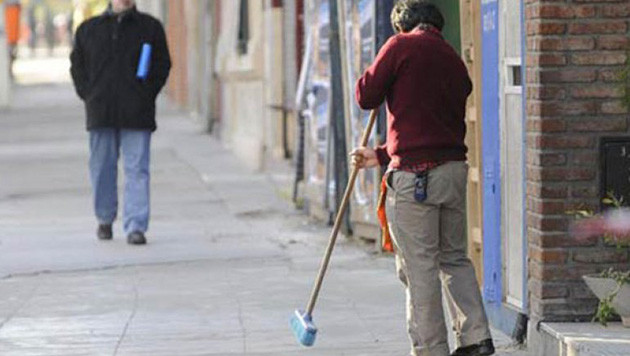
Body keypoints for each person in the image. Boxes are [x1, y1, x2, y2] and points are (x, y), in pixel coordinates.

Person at [351, 1, 494, 355]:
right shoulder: (452, 59)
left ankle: (431, 349)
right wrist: (382, 154)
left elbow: (365, 96)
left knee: (420, 269)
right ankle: (475, 336)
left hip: (415, 180)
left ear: (402, 27)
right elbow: (432, 122)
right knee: (454, 258)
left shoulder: (400, 47)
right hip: (452, 173)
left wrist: (380, 64)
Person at [70, 0, 171, 245]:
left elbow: (162, 65)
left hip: (137, 112)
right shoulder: (88, 29)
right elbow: (77, 67)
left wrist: (145, 94)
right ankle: (104, 218)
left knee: (137, 169)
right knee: (101, 167)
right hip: (101, 111)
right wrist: (90, 95)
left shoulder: (150, 27)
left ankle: (136, 225)